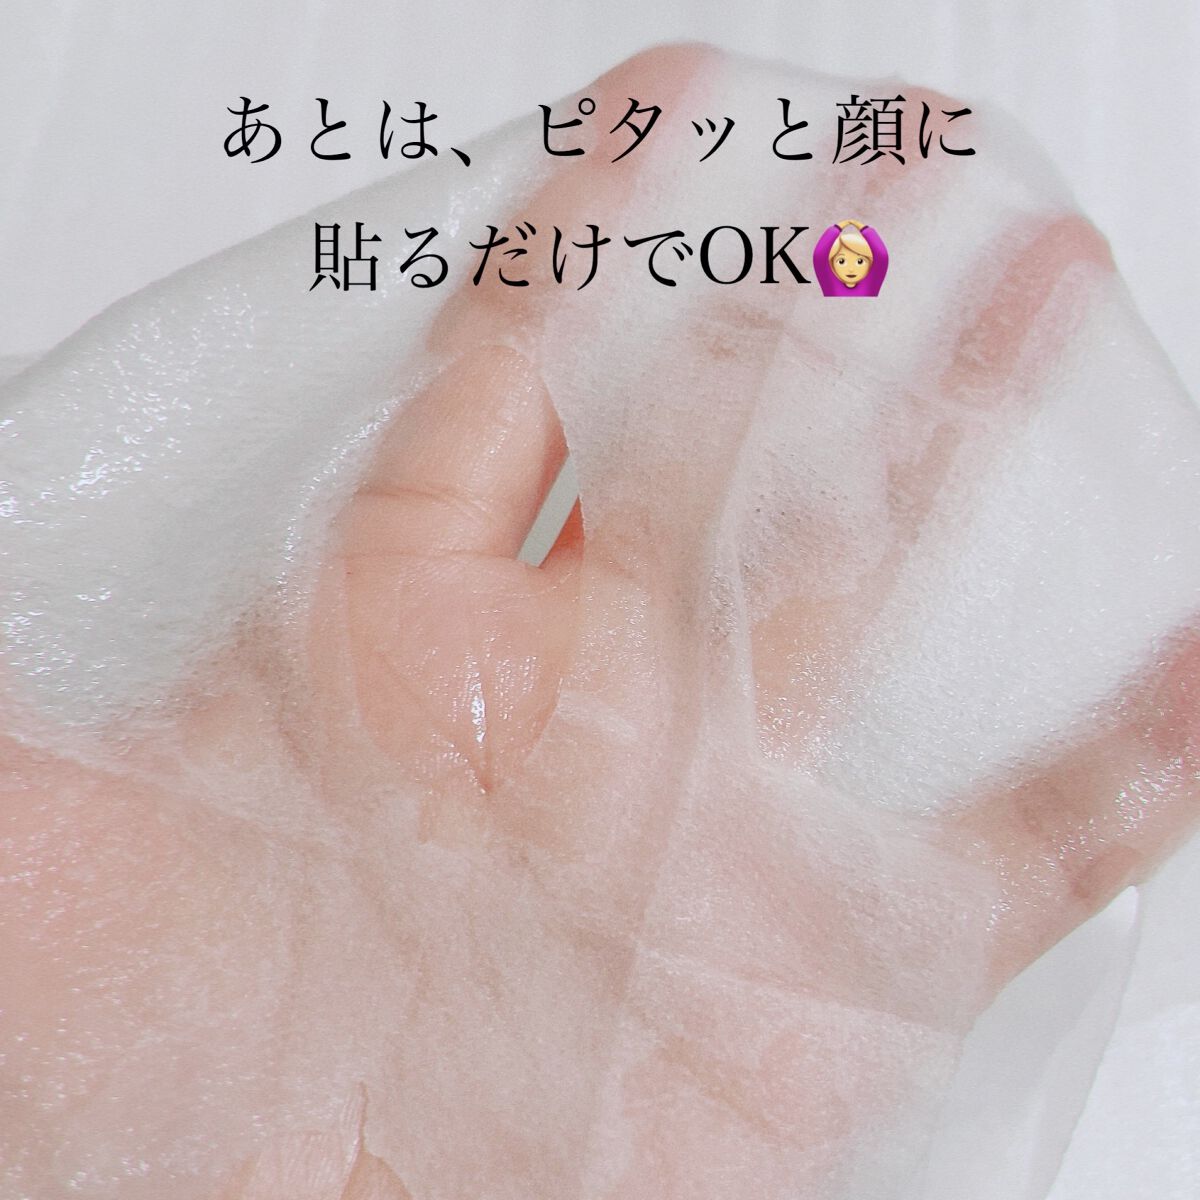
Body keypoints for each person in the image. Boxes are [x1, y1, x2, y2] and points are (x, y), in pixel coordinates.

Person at [813, 219, 889, 296]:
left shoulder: (871, 284)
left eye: (860, 261)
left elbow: (882, 256)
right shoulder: (829, 284)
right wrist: (837, 228)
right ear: (832, 264)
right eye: (841, 261)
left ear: (870, 263)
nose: (851, 269)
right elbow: (819, 255)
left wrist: (864, 229)